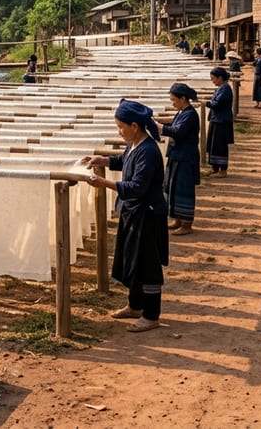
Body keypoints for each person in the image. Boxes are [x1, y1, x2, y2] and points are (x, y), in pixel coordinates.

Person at [82, 99, 169, 333]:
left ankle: (151, 315)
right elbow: (124, 160)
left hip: (147, 215)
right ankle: (135, 305)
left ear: (134, 125)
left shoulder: (149, 151)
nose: (119, 131)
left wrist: (105, 183)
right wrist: (104, 160)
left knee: (148, 265)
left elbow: (138, 187)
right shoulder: (135, 145)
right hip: (134, 213)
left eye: (120, 127)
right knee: (135, 261)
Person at [159, 83, 201, 235]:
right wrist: (159, 121)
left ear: (183, 98)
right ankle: (177, 219)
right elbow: (173, 122)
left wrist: (159, 127)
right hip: (178, 156)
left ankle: (187, 224)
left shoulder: (190, 115)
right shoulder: (183, 112)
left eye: (174, 99)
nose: (172, 102)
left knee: (184, 189)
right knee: (174, 188)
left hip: (185, 157)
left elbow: (178, 131)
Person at [206, 67, 235, 177]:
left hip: (221, 120)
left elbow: (216, 104)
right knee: (213, 145)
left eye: (213, 78)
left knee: (220, 145)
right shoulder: (220, 88)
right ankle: (215, 168)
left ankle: (223, 170)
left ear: (220, 78)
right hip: (216, 119)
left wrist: (207, 103)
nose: (212, 81)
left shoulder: (225, 89)